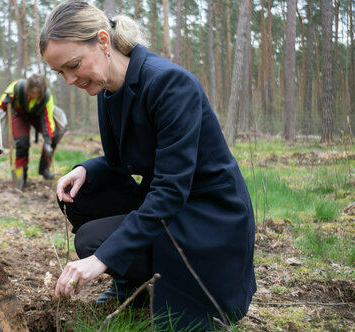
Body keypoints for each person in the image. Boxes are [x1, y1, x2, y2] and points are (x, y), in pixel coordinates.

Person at [40, 1, 256, 330]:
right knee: (80, 193)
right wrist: (87, 169)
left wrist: (101, 260)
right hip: (168, 201)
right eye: (60, 73)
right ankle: (132, 290)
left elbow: (170, 190)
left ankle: (178, 290)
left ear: (102, 42)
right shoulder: (106, 90)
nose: (69, 80)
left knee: (93, 244)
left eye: (73, 65)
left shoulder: (169, 84)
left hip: (207, 216)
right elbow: (118, 163)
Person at [0, 74, 59, 190]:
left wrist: (48, 141)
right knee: (22, 144)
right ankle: (20, 178)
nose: (34, 96)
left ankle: (44, 169)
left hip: (36, 116)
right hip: (19, 115)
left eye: (37, 94)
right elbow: (1, 104)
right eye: (31, 92)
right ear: (27, 88)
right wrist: (5, 102)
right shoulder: (16, 87)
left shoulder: (47, 97)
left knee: (53, 138)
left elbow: (48, 119)